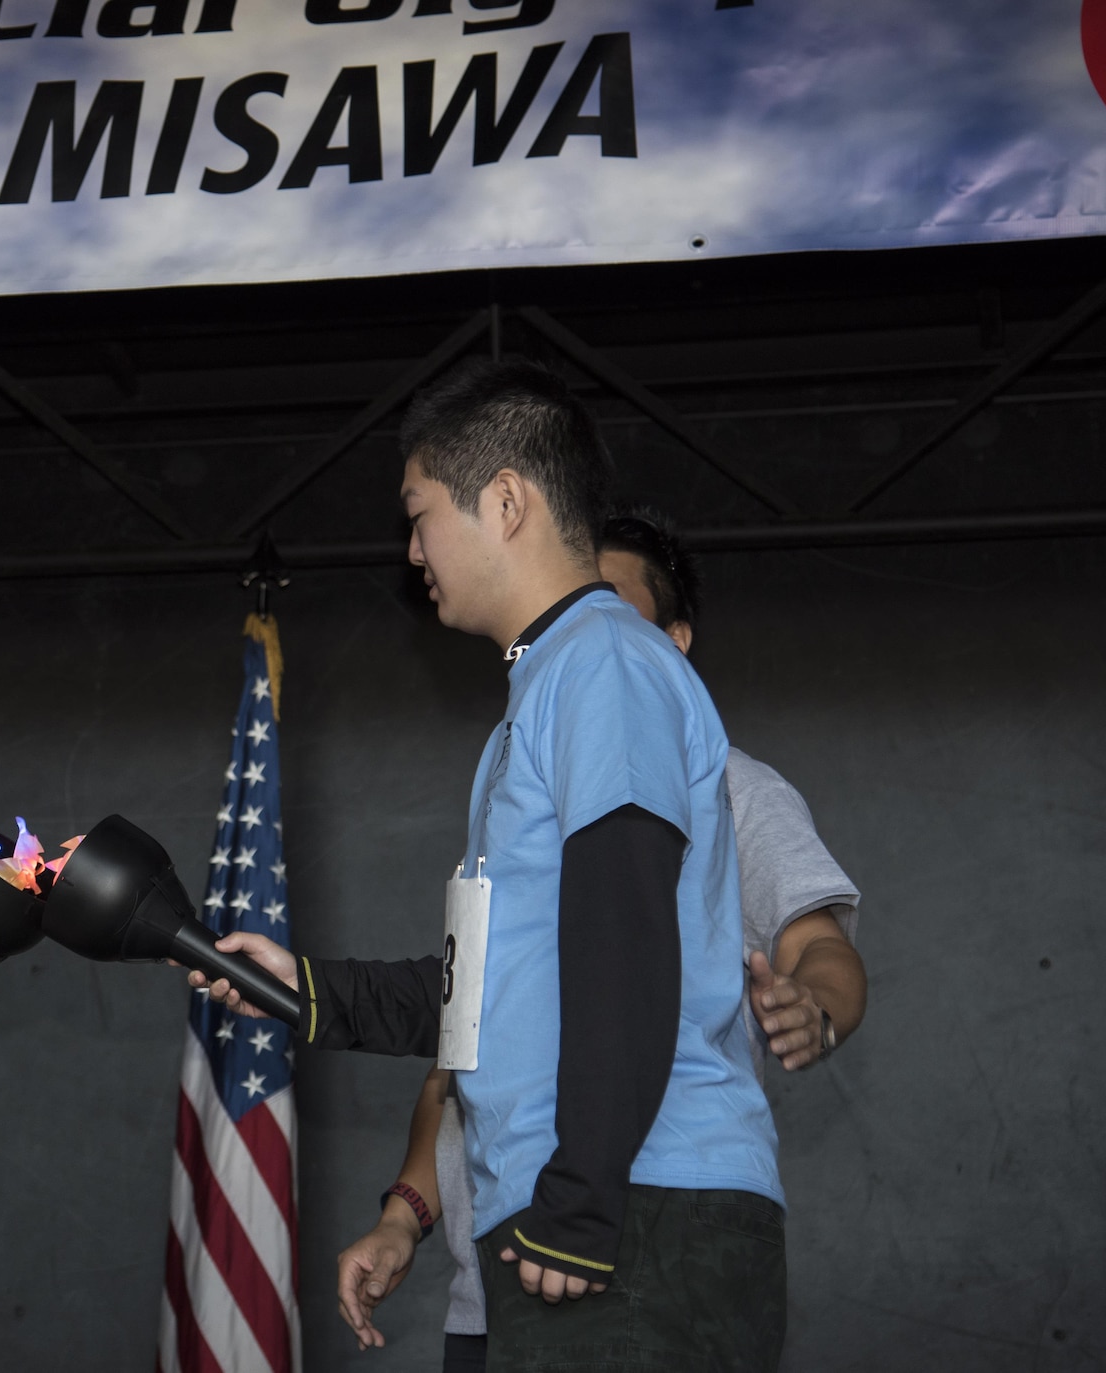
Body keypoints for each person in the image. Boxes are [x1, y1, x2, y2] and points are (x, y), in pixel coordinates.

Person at [197, 361, 787, 1371]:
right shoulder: (545, 690)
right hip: (583, 1208)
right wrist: (296, 988)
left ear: (504, 500)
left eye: (418, 513)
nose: (412, 548)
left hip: (637, 1208)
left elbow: (624, 937)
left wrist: (583, 1196)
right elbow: (493, 994)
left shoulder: (602, 662)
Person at [332, 510, 869, 1371]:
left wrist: (819, 1007)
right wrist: (405, 1215)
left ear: (674, 639)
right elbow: (467, 1039)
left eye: (608, 602)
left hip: (604, 1239)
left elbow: (825, 950)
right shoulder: (519, 780)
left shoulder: (735, 788)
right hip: (498, 1272)